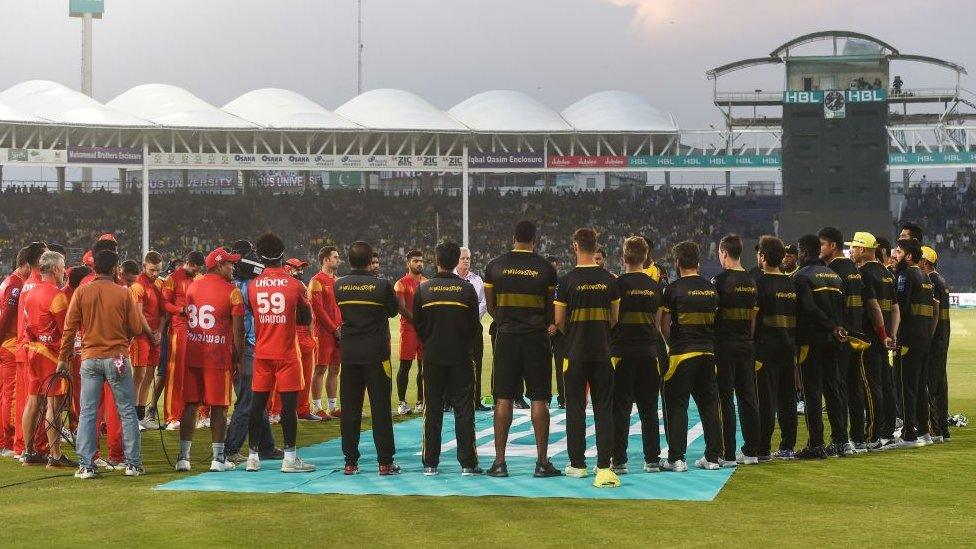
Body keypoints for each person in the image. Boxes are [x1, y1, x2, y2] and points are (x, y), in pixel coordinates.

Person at [58, 249, 155, 478]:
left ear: (94, 268)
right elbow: (137, 327)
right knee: (127, 412)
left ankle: (86, 465)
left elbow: (69, 329)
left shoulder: (81, 292)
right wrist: (123, 339)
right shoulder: (123, 293)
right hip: (118, 357)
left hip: (90, 358)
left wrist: (62, 358)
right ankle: (132, 464)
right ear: (114, 269)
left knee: (88, 413)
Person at [484, 221, 561, 479]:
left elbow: (492, 307)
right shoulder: (546, 268)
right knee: (539, 398)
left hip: (507, 336)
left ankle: (499, 463)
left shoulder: (494, 266)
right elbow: (550, 308)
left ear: (513, 236)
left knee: (503, 397)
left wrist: (507, 320)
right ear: (534, 239)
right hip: (536, 337)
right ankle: (541, 463)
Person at [245, 232, 316, 473]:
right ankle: (290, 458)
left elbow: (254, 313)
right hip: (286, 352)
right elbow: (306, 318)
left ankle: (252, 457)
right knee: (288, 407)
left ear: (259, 256)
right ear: (282, 255)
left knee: (258, 405)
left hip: (262, 351)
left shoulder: (253, 286)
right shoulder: (295, 284)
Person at [554, 228, 620, 488]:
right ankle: (604, 465)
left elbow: (559, 321)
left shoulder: (567, 281)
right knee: (604, 409)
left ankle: (577, 464)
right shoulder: (609, 280)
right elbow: (615, 318)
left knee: (575, 408)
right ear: (596, 248)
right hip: (603, 352)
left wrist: (575, 334)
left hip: (575, 353)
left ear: (575, 246)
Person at [413, 241, 483, 476]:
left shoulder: (424, 289)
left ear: (437, 261)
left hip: (432, 358)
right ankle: (468, 463)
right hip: (461, 358)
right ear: (455, 262)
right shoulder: (467, 290)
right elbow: (475, 325)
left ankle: (430, 463)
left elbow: (419, 325)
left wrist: (431, 342)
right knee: (464, 411)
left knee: (432, 410)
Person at [175, 247, 244, 472]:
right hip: (217, 357)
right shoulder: (232, 291)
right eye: (230, 264)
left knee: (190, 406)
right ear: (218, 264)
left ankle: (183, 458)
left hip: (194, 353)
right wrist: (239, 359)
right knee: (219, 407)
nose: (233, 267)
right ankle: (218, 459)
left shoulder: (193, 285)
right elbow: (238, 332)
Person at [333, 241, 400, 475]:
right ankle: (384, 462)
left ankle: (350, 462)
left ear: (349, 260)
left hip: (350, 355)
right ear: (370, 260)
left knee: (350, 410)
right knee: (381, 409)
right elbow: (393, 311)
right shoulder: (381, 285)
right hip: (376, 355)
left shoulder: (339, 285)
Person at [659, 240, 723, 472]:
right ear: (697, 261)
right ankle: (713, 457)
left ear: (677, 263)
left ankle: (677, 458)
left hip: (682, 353)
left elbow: (664, 325)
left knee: (677, 405)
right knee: (709, 405)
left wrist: (672, 344)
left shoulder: (673, 290)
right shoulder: (710, 289)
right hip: (707, 352)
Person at [609, 236, 664, 474]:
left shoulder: (617, 285)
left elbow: (612, 320)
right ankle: (652, 459)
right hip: (649, 352)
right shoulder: (655, 287)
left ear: (623, 258)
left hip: (621, 353)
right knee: (649, 408)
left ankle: (618, 460)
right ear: (645, 258)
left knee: (620, 409)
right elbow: (657, 326)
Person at [224, 239, 281, 465]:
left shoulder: (232, 283)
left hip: (244, 345)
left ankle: (265, 446)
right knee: (248, 399)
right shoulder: (246, 285)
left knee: (258, 397)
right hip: (245, 346)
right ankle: (230, 449)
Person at [820, 226, 876, 454]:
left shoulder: (832, 272)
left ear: (833, 245)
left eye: (822, 244)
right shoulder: (854, 270)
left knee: (836, 388)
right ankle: (858, 439)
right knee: (855, 389)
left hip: (840, 339)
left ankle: (840, 439)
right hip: (857, 336)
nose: (820, 248)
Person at [792, 234, 848, 459]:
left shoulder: (801, 276)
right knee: (833, 389)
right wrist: (836, 328)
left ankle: (816, 443)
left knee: (812, 393)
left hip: (811, 341)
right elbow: (842, 309)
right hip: (834, 342)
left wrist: (830, 326)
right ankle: (840, 440)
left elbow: (809, 308)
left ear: (804, 253)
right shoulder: (835, 276)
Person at [19, 251, 73, 468]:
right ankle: (56, 455)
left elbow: (28, 327)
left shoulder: (30, 292)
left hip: (33, 353)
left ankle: (28, 452)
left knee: (33, 402)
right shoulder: (57, 296)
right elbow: (65, 332)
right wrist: (66, 358)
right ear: (54, 269)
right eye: (62, 267)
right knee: (54, 405)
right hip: (52, 355)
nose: (64, 271)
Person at [711, 234, 761, 466]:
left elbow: (713, 315)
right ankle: (751, 451)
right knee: (748, 397)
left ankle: (727, 453)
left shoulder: (719, 281)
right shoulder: (752, 281)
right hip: (746, 344)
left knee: (725, 399)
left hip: (724, 344)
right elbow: (753, 317)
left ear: (723, 253)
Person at [848, 232, 898, 450]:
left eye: (854, 247)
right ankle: (884, 431)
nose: (852, 251)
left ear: (864, 250)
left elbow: (873, 306)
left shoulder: (864, 273)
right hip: (884, 338)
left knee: (870, 387)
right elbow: (895, 308)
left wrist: (882, 333)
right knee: (882, 385)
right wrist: (892, 333)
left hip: (870, 337)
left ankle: (872, 435)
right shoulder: (887, 274)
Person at [753, 236, 799, 461]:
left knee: (766, 401)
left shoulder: (759, 284)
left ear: (762, 256)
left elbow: (753, 320)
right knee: (787, 400)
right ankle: (787, 447)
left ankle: (762, 449)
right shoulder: (791, 283)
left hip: (765, 350)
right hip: (788, 348)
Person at [892, 238, 936, 447]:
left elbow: (901, 308)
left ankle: (909, 434)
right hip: (924, 339)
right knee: (919, 386)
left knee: (907, 386)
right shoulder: (926, 278)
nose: (895, 255)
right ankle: (924, 432)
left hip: (909, 338)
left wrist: (894, 334)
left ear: (909, 256)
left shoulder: (906, 274)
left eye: (899, 252)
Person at [161, 251, 204, 430]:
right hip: (179, 330)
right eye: (195, 267)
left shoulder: (199, 279)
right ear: (189, 263)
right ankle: (171, 417)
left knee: (194, 373)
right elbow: (165, 303)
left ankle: (192, 413)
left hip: (196, 330)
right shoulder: (173, 278)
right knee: (175, 373)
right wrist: (180, 310)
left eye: (199, 268)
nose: (197, 270)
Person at [128, 251, 166, 431]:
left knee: (150, 374)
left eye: (158, 270)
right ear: (144, 267)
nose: (156, 273)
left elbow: (163, 311)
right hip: (141, 336)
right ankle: (133, 417)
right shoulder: (138, 286)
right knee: (139, 375)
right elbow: (138, 312)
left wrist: (159, 331)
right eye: (152, 270)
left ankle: (141, 416)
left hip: (154, 335)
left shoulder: (159, 284)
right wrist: (151, 333)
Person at [920, 246, 950, 443]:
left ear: (925, 262)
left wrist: (926, 338)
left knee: (931, 383)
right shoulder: (941, 280)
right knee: (939, 384)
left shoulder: (931, 280)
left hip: (934, 339)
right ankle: (943, 430)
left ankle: (935, 429)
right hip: (942, 338)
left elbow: (934, 313)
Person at [0, 248, 29, 457]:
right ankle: (7, 441)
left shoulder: (9, 281)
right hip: (9, 343)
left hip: (7, 342)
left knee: (6, 393)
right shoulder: (16, 284)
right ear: (27, 264)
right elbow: (6, 315)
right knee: (11, 395)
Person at [308, 247, 342, 419]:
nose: (338, 260)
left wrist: (341, 327)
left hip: (339, 332)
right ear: (326, 260)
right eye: (335, 257)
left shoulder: (338, 281)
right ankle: (316, 407)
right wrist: (334, 328)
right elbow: (318, 311)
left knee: (335, 369)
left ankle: (333, 407)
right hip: (323, 333)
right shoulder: (316, 281)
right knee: (320, 368)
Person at [454, 246, 488, 411]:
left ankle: (476, 399)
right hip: (454, 328)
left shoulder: (477, 279)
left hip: (474, 328)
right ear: (456, 260)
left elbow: (484, 302)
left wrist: (473, 317)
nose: (466, 261)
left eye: (468, 258)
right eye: (463, 258)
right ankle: (451, 401)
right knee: (453, 362)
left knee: (477, 363)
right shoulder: (450, 278)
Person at [395, 250, 426, 413]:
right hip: (408, 330)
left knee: (424, 367)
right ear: (409, 263)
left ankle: (421, 401)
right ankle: (402, 403)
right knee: (405, 366)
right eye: (415, 261)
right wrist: (420, 320)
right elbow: (401, 308)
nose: (419, 263)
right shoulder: (401, 283)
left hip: (423, 331)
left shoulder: (427, 282)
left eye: (421, 261)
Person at [546, 255, 566, 409]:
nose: (553, 269)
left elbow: (566, 307)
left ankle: (563, 398)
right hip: (544, 330)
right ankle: (544, 397)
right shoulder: (540, 284)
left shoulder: (563, 284)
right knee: (542, 366)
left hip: (558, 331)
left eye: (554, 267)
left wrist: (556, 324)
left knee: (561, 367)